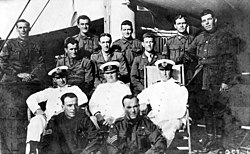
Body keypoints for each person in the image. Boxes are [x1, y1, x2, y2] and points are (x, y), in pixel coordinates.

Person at [187, 9, 237, 152]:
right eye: (203, 21)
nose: (206, 23)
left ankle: (220, 142)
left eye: (209, 20)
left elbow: (229, 61)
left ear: (215, 20)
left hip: (217, 79)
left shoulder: (224, 37)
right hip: (203, 79)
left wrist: (226, 81)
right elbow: (189, 53)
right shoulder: (200, 38)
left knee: (219, 110)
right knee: (207, 109)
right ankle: (210, 139)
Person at [25, 66, 88, 154]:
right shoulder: (50, 91)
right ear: (54, 80)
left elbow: (83, 100)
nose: (61, 80)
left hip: (65, 120)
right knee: (36, 120)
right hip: (48, 119)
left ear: (67, 77)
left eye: (63, 77)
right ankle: (32, 149)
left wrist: (65, 111)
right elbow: (31, 99)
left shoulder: (74, 89)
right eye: (58, 78)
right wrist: (38, 110)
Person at [137, 59, 188, 147]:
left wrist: (163, 120)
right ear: (158, 71)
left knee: (166, 131)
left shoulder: (179, 88)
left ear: (171, 71)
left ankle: (159, 150)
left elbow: (180, 111)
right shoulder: (154, 86)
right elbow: (140, 97)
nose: (164, 73)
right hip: (155, 118)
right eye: (162, 70)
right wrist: (143, 103)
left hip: (172, 119)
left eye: (167, 70)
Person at [0, 19, 45, 83]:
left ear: (29, 29)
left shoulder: (35, 46)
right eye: (20, 28)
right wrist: (16, 73)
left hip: (29, 78)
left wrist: (31, 75)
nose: (23, 30)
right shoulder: (10, 44)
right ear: (17, 29)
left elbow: (41, 63)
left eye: (25, 27)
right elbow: (1, 61)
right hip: (11, 78)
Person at [89, 61, 131, 129]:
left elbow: (127, 106)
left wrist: (114, 118)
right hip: (100, 120)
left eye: (112, 73)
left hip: (117, 120)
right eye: (108, 73)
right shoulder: (100, 87)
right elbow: (92, 103)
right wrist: (97, 114)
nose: (110, 76)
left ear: (117, 73)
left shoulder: (124, 88)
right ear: (104, 75)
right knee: (91, 120)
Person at [163, 14, 195, 84]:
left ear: (187, 24)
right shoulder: (170, 41)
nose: (181, 26)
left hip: (190, 74)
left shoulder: (193, 40)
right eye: (179, 24)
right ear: (175, 26)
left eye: (183, 23)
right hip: (175, 74)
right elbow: (165, 59)